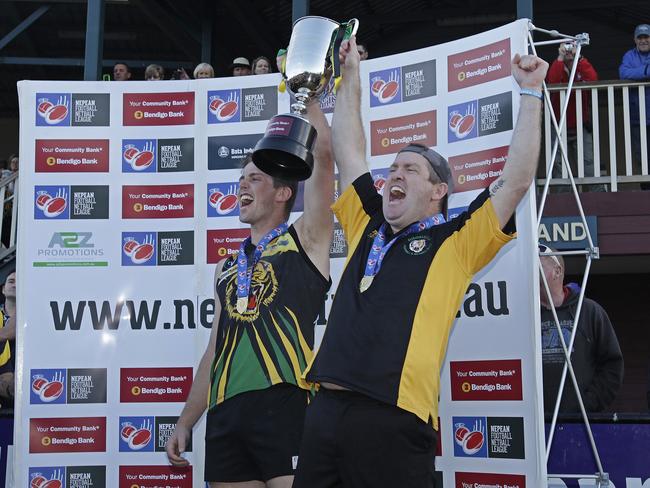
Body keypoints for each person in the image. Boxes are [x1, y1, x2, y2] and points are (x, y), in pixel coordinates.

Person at [293, 36, 548, 488]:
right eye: (392, 169)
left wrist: (530, 93)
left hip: (393, 418)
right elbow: (352, 153)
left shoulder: (457, 239)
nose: (394, 175)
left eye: (410, 170)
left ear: (438, 192)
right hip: (325, 411)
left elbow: (515, 181)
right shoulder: (367, 222)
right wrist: (351, 75)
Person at [166, 102, 334, 488]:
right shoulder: (225, 267)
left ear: (282, 194)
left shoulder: (305, 241)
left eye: (255, 179)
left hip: (284, 399)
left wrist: (311, 102)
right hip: (225, 412)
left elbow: (324, 165)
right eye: (241, 178)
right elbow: (214, 350)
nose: (241, 185)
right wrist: (186, 421)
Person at [539, 245, 623, 414]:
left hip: (579, 424)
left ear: (557, 271)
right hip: (534, 423)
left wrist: (587, 404)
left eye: (537, 262)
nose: (530, 268)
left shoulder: (589, 311)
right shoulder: (524, 315)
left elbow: (612, 365)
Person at [546, 41, 603, 191]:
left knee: (588, 160)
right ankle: (562, 196)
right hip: (559, 124)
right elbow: (552, 81)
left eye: (572, 48)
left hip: (580, 124)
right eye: (566, 48)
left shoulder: (580, 66)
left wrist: (580, 57)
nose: (569, 51)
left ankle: (595, 192)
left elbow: (593, 79)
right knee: (559, 163)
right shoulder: (558, 66)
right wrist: (560, 57)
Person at [619, 23, 650, 187]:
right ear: (635, 40)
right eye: (640, 37)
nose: (643, 40)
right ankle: (646, 193)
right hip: (638, 117)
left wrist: (637, 73)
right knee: (642, 157)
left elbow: (631, 73)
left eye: (646, 37)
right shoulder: (629, 56)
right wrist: (645, 71)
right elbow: (624, 73)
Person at [0, 271, 16, 408]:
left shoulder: (37, 318)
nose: (15, 285)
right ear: (3, 289)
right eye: (11, 281)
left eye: (20, 283)